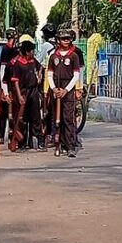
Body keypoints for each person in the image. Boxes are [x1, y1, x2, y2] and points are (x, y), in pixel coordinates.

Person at [47, 28, 82, 157]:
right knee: (57, 119)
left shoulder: (74, 56)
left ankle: (70, 146)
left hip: (68, 90)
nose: (66, 41)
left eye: (68, 38)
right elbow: (49, 74)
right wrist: (54, 89)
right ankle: (59, 143)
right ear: (58, 40)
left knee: (68, 118)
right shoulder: (53, 56)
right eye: (63, 39)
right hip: (56, 89)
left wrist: (66, 90)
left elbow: (76, 75)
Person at [10, 35, 44, 151]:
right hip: (23, 92)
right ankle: (22, 143)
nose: (33, 53)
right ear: (26, 51)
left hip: (33, 91)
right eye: (31, 51)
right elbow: (15, 81)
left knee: (36, 117)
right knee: (22, 118)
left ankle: (40, 141)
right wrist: (19, 96)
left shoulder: (33, 61)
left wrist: (39, 76)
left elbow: (40, 67)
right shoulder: (18, 63)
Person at [0, 28, 19, 144]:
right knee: (4, 111)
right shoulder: (6, 49)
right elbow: (2, 69)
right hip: (6, 82)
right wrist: (3, 87)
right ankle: (0, 134)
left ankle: (13, 134)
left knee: (14, 110)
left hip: (13, 82)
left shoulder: (15, 49)